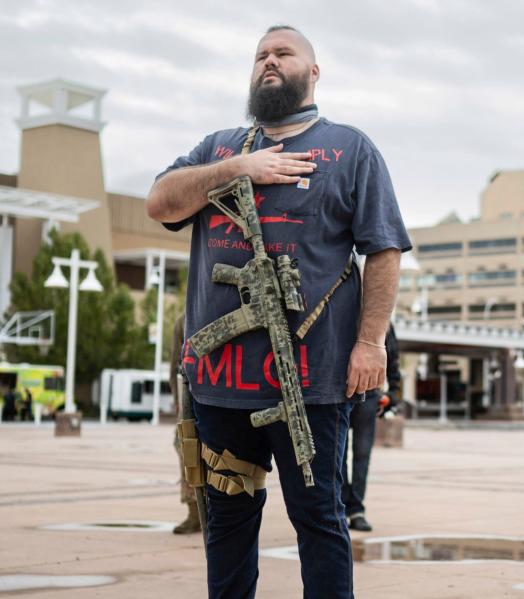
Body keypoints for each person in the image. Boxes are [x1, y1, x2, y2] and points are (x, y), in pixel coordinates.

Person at [145, 25, 410, 599]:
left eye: (284, 53)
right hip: (219, 383)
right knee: (228, 524)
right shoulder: (217, 148)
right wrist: (239, 169)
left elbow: (384, 249)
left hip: (311, 382)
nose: (269, 61)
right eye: (261, 54)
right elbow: (160, 200)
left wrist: (371, 344)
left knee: (319, 519)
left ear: (312, 73)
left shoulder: (349, 148)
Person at [340, 322, 400, 532]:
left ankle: (357, 511)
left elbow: (392, 360)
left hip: (370, 394)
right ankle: (342, 507)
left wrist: (392, 395)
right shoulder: (343, 311)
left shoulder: (383, 322)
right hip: (340, 391)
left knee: (362, 453)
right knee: (338, 453)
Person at [169, 312, 201, 534]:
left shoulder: (188, 317)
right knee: (184, 446)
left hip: (212, 393)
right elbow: (175, 364)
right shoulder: (184, 319)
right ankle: (194, 511)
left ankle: (204, 511)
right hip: (192, 394)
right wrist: (177, 400)